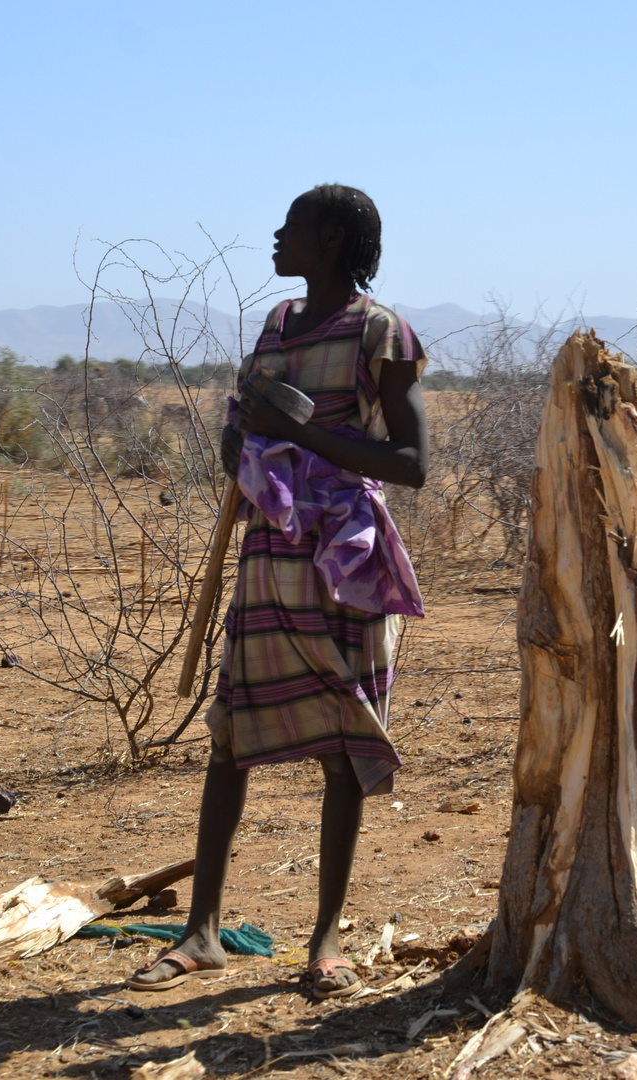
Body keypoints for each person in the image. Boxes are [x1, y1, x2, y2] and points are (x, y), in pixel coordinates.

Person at [128, 185, 429, 1000]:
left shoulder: (380, 332)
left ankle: (325, 942)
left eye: (290, 226)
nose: (274, 236)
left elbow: (411, 463)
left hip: (343, 560)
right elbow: (241, 433)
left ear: (328, 239)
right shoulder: (274, 327)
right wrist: (242, 440)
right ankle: (202, 933)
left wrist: (295, 433)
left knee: (344, 744)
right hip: (268, 552)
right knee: (230, 737)